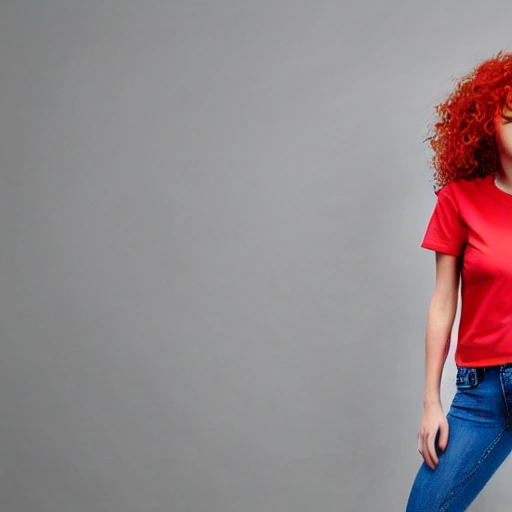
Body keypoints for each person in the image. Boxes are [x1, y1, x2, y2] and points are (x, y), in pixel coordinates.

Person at [405, 51, 512, 511]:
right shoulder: (459, 201)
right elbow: (443, 302)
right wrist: (431, 400)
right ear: (487, 123)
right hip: (480, 393)